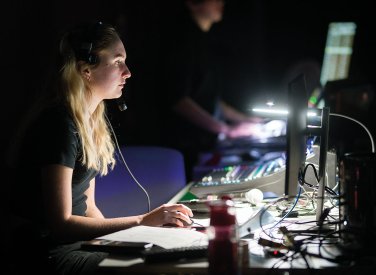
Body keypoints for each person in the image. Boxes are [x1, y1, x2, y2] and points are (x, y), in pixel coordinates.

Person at [6, 21, 193, 275]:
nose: (127, 72)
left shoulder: (89, 121)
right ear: (86, 70)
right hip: (50, 255)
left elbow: (88, 208)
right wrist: (141, 220)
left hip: (77, 247)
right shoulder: (59, 125)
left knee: (168, 260)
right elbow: (61, 224)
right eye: (117, 62)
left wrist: (122, 242)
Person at [158, 0, 262, 180]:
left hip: (203, 143)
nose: (220, 2)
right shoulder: (180, 41)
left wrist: (245, 119)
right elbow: (178, 99)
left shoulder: (205, 39)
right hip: (185, 148)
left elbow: (208, 97)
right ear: (192, 3)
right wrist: (226, 130)